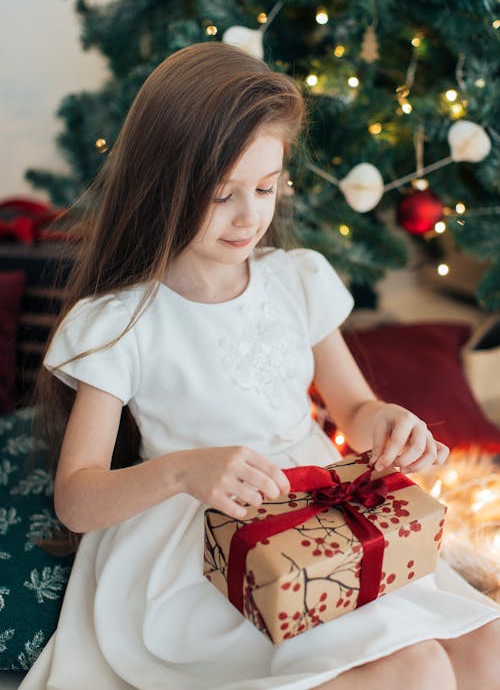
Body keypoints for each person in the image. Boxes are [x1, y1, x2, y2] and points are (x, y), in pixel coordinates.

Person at [21, 42, 499, 690]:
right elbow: (77, 498)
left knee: (484, 647)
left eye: (267, 188)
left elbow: (354, 410)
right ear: (162, 186)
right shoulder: (122, 322)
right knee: (416, 671)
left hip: (320, 513)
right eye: (223, 196)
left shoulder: (296, 279)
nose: (251, 217)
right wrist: (184, 469)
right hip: (202, 541)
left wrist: (387, 423)